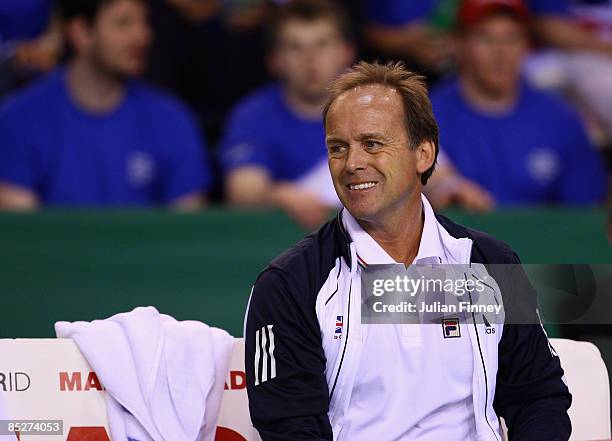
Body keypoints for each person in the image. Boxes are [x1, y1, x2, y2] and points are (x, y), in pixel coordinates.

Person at [244, 61, 571, 440]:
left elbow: (539, 398)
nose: (352, 164)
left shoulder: (490, 263)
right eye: (338, 148)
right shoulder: (288, 284)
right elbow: (289, 425)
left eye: (372, 144)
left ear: (424, 154)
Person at [0, 0, 211, 210]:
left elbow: (187, 231)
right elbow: (21, 234)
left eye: (145, 22)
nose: (142, 36)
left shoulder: (171, 119)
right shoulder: (20, 119)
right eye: (123, 23)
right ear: (81, 33)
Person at [431, 0, 605, 205]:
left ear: (526, 45)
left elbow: (586, 214)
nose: (500, 51)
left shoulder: (561, 120)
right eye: (485, 38)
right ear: (458, 44)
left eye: (511, 38)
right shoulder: (427, 116)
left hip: (539, 237)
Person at [218, 0, 355, 229]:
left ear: (346, 52)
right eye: (295, 47)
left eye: (322, 44)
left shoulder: (374, 108)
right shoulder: (253, 115)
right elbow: (242, 189)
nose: (310, 59)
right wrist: (279, 194)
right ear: (274, 61)